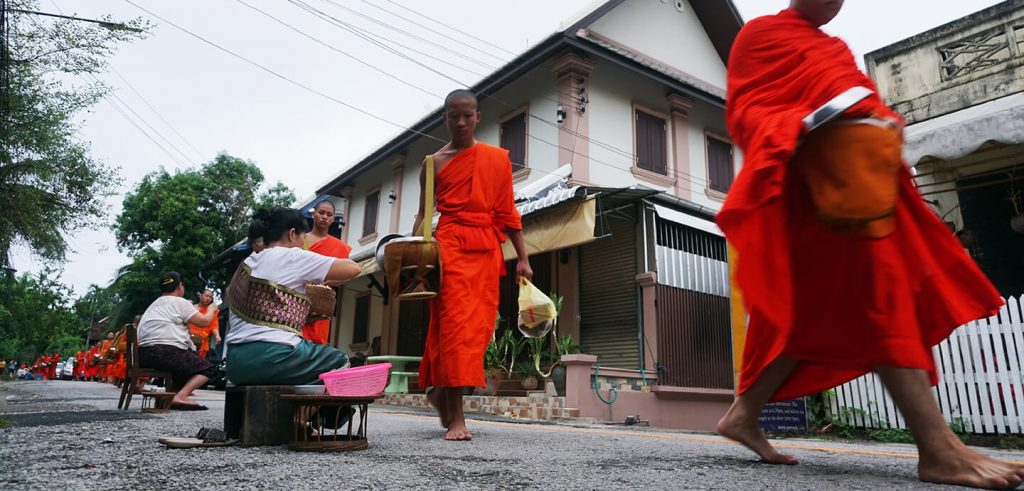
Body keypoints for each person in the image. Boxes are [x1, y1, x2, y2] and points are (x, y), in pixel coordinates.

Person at [717, 1, 1024, 488]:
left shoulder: (832, 47)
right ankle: (938, 448)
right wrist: (798, 123)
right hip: (806, 190)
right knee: (880, 295)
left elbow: (859, 104)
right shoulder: (761, 35)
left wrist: (877, 125)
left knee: (812, 310)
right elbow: (747, 110)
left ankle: (743, 413)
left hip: (857, 185)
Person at [410, 89, 531, 441]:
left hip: (486, 250)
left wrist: (523, 258)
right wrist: (414, 256)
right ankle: (459, 419)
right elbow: (423, 213)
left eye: (467, 115)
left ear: (478, 117)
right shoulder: (432, 163)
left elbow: (508, 211)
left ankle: (440, 394)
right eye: (453, 115)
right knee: (453, 330)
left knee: (476, 333)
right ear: (444, 118)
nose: (460, 122)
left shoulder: (496, 159)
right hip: (448, 247)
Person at [224, 207, 361, 385]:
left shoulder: (246, 263)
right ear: (292, 234)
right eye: (303, 239)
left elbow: (266, 311)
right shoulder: (293, 256)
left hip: (235, 363)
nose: (303, 244)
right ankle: (299, 413)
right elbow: (353, 268)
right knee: (341, 361)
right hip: (275, 356)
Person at [136, 272, 219, 410]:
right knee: (208, 369)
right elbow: (204, 322)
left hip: (143, 355)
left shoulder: (153, 305)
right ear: (180, 286)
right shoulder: (180, 302)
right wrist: (212, 309)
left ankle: (172, 396)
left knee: (186, 361)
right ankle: (181, 396)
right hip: (165, 353)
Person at [300, 200, 352, 345]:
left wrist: (326, 283)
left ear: (333, 219)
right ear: (313, 214)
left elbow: (345, 276)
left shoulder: (339, 246)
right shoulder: (300, 239)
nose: (324, 217)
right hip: (297, 298)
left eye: (329, 215)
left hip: (321, 304)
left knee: (317, 345)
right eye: (321, 213)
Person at [188, 289, 222, 359]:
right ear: (200, 296)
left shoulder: (212, 312)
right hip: (188, 339)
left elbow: (214, 325)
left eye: (210, 297)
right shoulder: (191, 308)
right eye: (206, 296)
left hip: (202, 341)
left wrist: (217, 335)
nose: (208, 298)